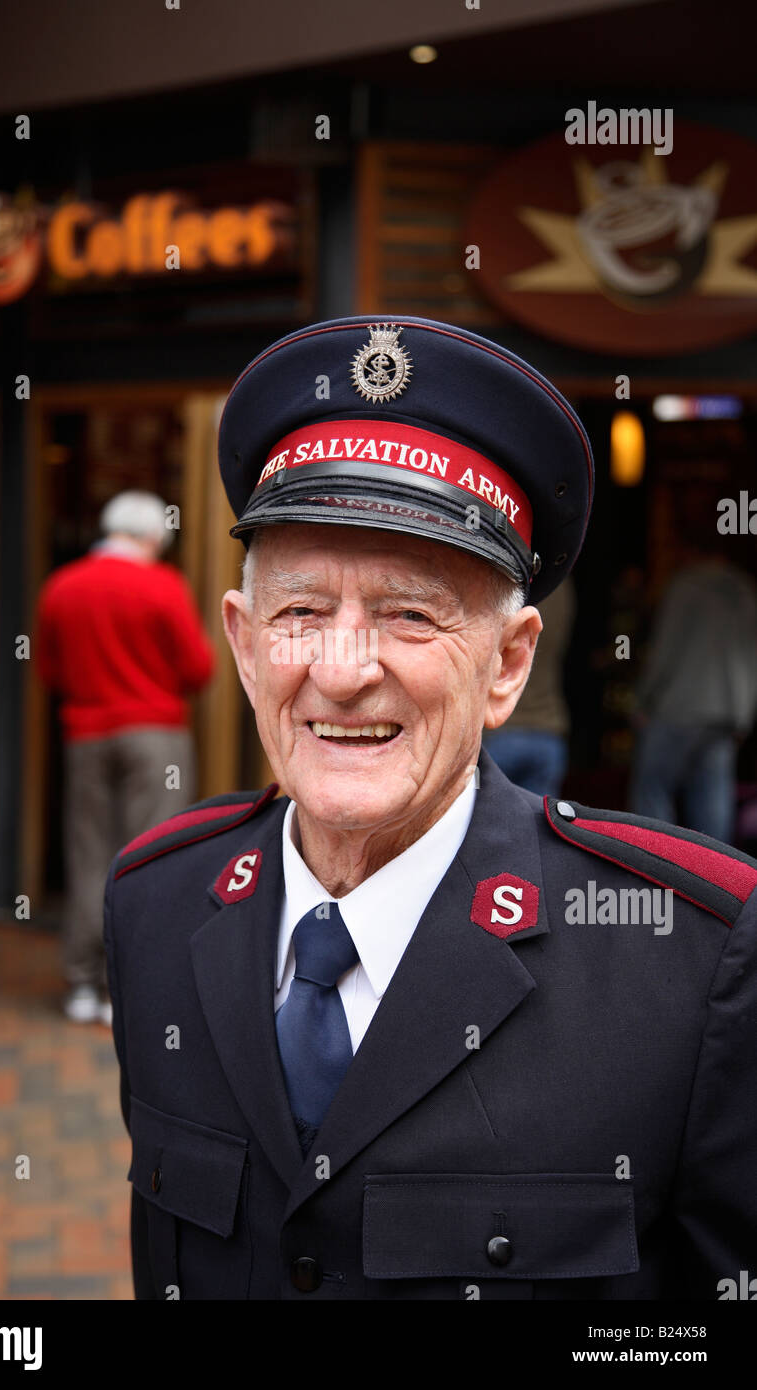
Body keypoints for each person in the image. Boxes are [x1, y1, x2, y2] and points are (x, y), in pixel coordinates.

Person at [104, 316, 757, 1300]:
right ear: (242, 646)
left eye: (409, 613)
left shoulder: (688, 957)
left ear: (505, 664)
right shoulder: (155, 902)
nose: (341, 670)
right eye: (300, 611)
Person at [36, 491, 215, 1026]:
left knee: (88, 854)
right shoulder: (162, 584)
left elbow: (49, 670)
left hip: (86, 733)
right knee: (150, 858)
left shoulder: (62, 586)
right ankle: (126, 990)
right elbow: (198, 669)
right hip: (154, 735)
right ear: (154, 537)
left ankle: (81, 985)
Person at [631, 553, 757, 844]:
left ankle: (653, 868)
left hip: (678, 706)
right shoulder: (744, 590)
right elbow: (752, 656)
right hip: (725, 713)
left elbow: (665, 650)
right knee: (711, 800)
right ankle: (714, 880)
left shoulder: (686, 585)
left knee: (652, 790)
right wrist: (744, 715)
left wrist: (642, 700)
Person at [483, 574, 575, 796]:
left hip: (500, 731)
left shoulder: (499, 578)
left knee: (486, 826)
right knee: (538, 827)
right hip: (548, 730)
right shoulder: (561, 587)